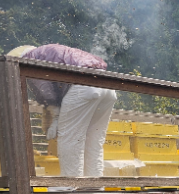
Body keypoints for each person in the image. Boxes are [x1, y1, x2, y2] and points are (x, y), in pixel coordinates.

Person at [12, 44, 117, 178]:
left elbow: (45, 92)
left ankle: (70, 183)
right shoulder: (46, 52)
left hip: (84, 86)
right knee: (94, 139)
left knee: (69, 137)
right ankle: (94, 183)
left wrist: (56, 117)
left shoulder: (28, 59)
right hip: (108, 85)